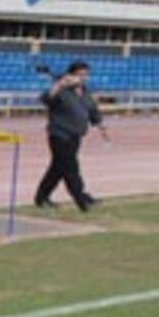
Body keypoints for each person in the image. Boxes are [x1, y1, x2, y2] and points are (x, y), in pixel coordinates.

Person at [33, 60, 103, 211]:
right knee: (71, 166)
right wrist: (60, 85)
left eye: (85, 75)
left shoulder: (85, 91)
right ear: (71, 75)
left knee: (58, 168)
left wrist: (99, 123)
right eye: (79, 75)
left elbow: (91, 108)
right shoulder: (62, 90)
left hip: (75, 135)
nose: (82, 78)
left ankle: (41, 197)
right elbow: (45, 99)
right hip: (59, 134)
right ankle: (80, 198)